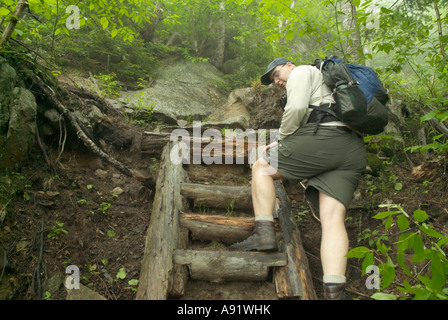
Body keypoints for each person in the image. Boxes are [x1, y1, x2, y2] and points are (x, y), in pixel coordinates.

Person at [229, 58, 367, 300]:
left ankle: (263, 233)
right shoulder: (326, 83)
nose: (277, 81)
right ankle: (335, 292)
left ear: (289, 65)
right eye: (273, 80)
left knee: (262, 166)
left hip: (325, 139)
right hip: (352, 149)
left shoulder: (302, 71)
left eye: (277, 74)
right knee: (333, 218)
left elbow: (296, 109)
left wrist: (281, 140)